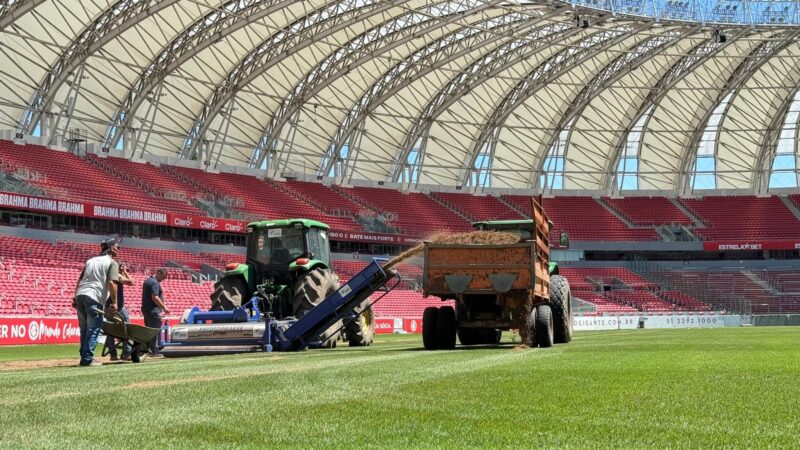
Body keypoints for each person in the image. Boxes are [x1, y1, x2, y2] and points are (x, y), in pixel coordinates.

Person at [73, 239, 120, 367]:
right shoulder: (112, 263)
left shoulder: (90, 261)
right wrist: (115, 302)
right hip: (94, 297)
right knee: (93, 329)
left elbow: (80, 279)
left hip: (81, 294)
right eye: (117, 247)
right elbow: (111, 283)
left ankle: (84, 355)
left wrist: (74, 296)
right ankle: (87, 359)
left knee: (84, 329)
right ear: (110, 249)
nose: (118, 250)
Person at [102, 262, 134, 361]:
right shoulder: (117, 275)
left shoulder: (110, 275)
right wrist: (125, 272)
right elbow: (131, 282)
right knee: (127, 328)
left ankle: (113, 354)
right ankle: (127, 353)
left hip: (108, 306)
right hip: (117, 306)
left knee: (110, 330)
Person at [142, 268, 169, 356]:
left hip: (146, 310)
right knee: (155, 331)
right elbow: (155, 297)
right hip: (154, 311)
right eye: (163, 277)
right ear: (159, 273)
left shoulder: (147, 281)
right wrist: (164, 307)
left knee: (149, 331)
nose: (162, 279)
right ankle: (154, 350)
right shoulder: (154, 283)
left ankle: (147, 349)